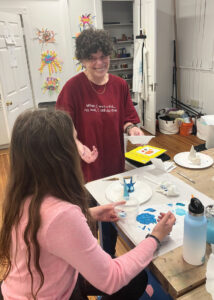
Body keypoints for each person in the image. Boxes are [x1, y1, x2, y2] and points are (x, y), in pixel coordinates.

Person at [0, 110, 176, 300]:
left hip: (19, 289)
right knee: (129, 278)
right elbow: (112, 278)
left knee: (135, 278)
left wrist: (90, 213)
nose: (80, 147)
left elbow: (48, 230)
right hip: (50, 294)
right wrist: (155, 237)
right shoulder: (62, 214)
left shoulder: (25, 193)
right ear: (60, 156)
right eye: (75, 140)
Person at [56, 28, 144, 257]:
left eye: (103, 56)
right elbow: (64, 126)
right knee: (87, 221)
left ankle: (109, 257)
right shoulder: (72, 88)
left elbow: (127, 117)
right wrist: (78, 146)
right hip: (85, 171)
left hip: (114, 167)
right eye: (91, 58)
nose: (98, 63)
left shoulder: (119, 85)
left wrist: (132, 128)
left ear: (109, 55)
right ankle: (89, 266)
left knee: (112, 217)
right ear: (82, 60)